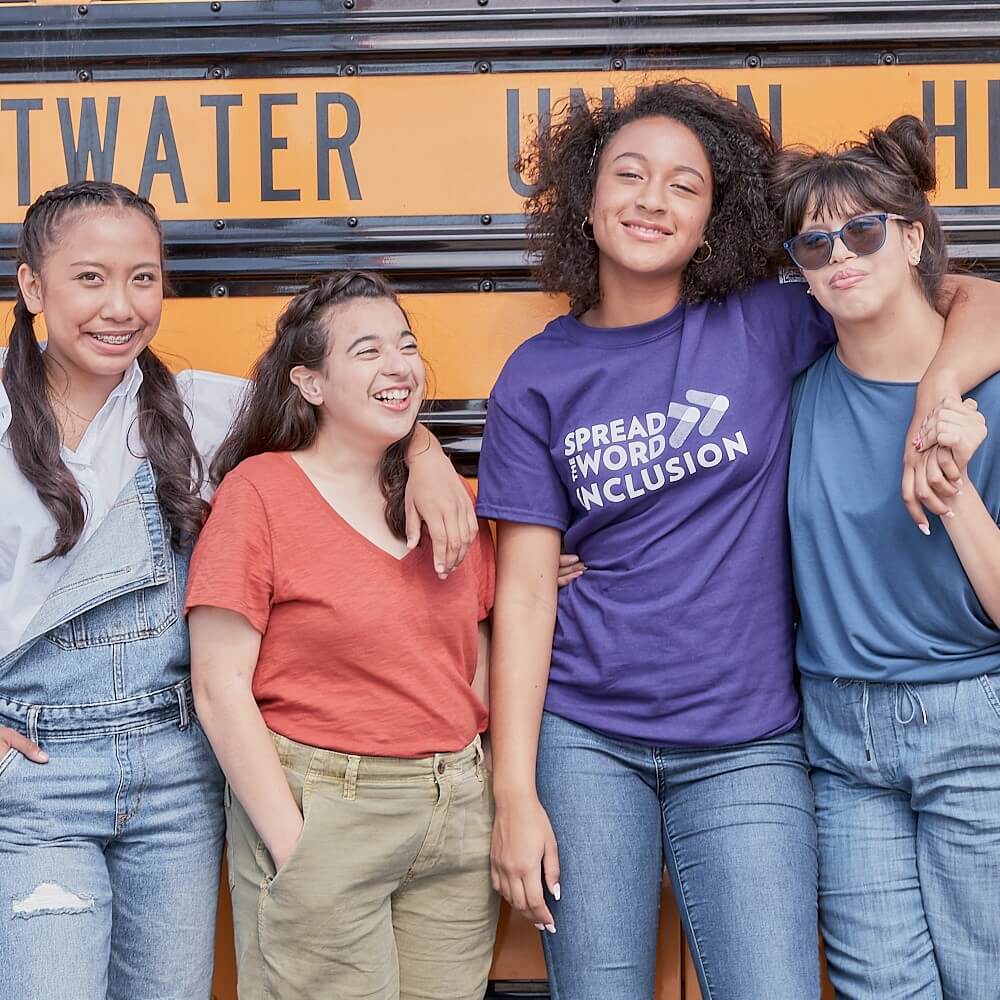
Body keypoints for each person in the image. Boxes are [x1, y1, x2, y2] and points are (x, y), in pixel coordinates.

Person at [476, 80, 1000, 1000]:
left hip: (750, 741)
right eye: (629, 175)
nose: (652, 199)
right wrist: (514, 794)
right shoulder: (538, 374)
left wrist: (938, 392)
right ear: (585, 201)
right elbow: (522, 594)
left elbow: (964, 294)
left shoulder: (770, 318)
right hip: (587, 735)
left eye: (685, 185)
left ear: (713, 218)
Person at [0, 183, 476, 1000]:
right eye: (89, 279)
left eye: (143, 278)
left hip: (179, 774)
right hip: (40, 773)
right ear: (33, 288)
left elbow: (359, 406)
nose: (121, 306)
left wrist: (427, 455)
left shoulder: (205, 410)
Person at [185, 271, 499, 1000]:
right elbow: (218, 686)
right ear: (312, 383)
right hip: (325, 809)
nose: (399, 366)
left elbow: (475, 654)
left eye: (407, 345)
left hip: (453, 815)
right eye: (367, 351)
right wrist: (298, 848)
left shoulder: (450, 504)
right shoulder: (260, 492)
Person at [775, 116, 1000, 1000]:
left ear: (911, 237)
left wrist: (956, 487)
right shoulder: (791, 398)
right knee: (881, 990)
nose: (841, 256)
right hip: (837, 737)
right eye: (814, 244)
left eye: (863, 230)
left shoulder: (987, 396)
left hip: (972, 725)